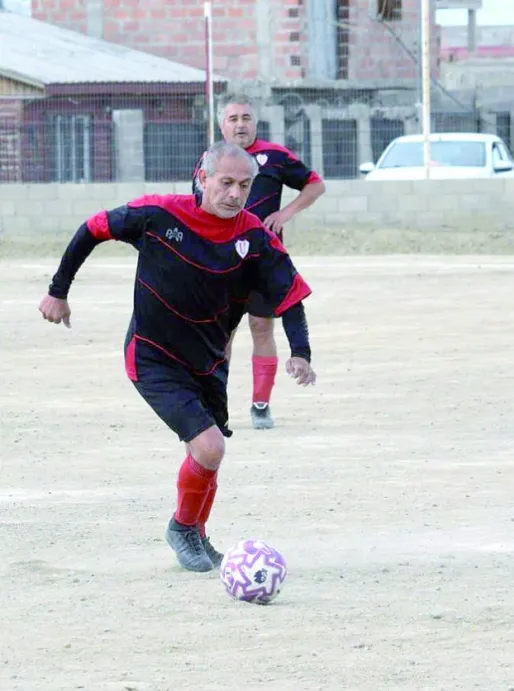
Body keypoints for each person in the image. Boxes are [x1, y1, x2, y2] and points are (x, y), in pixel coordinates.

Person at [39, 142, 318, 573]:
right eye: (225, 183)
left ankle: (197, 531)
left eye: (244, 186)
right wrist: (58, 290)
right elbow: (93, 228)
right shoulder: (158, 214)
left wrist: (301, 351)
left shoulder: (255, 238)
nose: (234, 194)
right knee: (209, 446)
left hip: (208, 362)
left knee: (211, 453)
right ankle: (183, 529)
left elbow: (290, 295)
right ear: (202, 178)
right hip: (153, 356)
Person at [194, 95, 326, 431]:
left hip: (261, 262)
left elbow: (315, 184)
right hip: (221, 262)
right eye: (233, 118)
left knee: (261, 326)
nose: (240, 124)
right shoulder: (209, 161)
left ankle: (260, 404)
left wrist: (286, 213)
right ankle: (213, 404)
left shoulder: (276, 157)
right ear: (221, 124)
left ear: (255, 122)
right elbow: (196, 208)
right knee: (221, 335)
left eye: (246, 117)